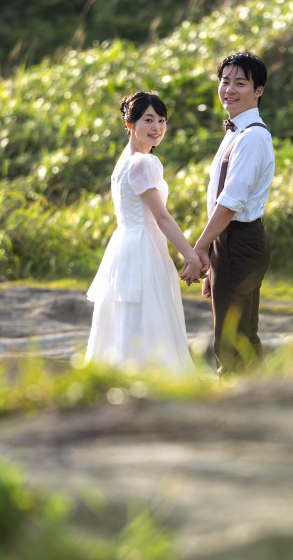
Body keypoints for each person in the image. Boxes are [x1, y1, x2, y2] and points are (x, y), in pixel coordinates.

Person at [85, 90, 200, 376]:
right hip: (142, 247)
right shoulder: (142, 163)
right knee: (147, 317)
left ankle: (121, 376)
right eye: (148, 120)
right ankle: (151, 378)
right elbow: (162, 218)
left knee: (129, 319)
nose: (157, 128)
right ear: (130, 124)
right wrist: (191, 255)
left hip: (126, 245)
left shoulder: (126, 160)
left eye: (161, 120)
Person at [181, 51, 275, 372]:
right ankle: (254, 401)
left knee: (232, 340)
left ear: (258, 90)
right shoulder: (235, 132)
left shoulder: (251, 138)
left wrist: (201, 247)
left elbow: (230, 202)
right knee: (240, 336)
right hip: (231, 244)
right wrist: (214, 261)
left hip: (239, 242)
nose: (229, 90)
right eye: (225, 82)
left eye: (240, 83)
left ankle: (238, 408)